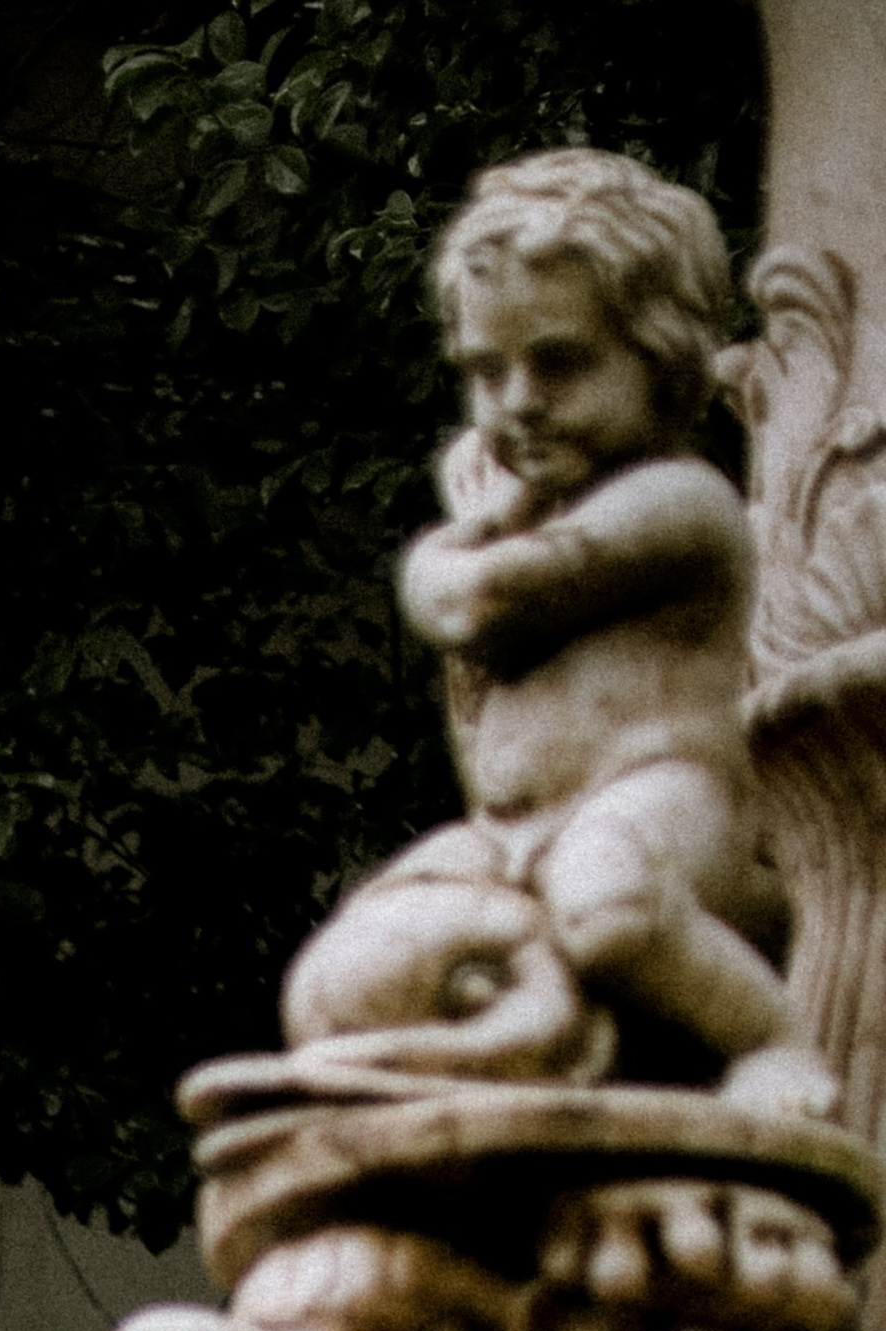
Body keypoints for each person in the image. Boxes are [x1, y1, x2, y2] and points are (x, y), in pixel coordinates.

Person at [307, 147, 825, 1111]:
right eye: (485, 370)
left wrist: (473, 529)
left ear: (665, 357)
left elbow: (475, 603)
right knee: (343, 968)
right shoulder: (536, 518)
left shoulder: (681, 504)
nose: (516, 403)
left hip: (666, 814)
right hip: (520, 833)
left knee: (609, 911)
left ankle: (774, 1041)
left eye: (559, 361)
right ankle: (507, 1053)